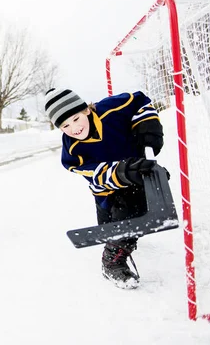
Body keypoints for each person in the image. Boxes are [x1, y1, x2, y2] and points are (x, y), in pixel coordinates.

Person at [44, 88, 165, 289]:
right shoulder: (72, 151)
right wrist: (123, 171)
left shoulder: (112, 109)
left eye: (76, 118)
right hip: (106, 190)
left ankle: (112, 263)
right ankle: (121, 237)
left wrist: (148, 124)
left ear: (87, 110)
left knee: (128, 219)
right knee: (109, 227)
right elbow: (95, 175)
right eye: (65, 125)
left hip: (137, 178)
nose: (74, 128)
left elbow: (140, 100)